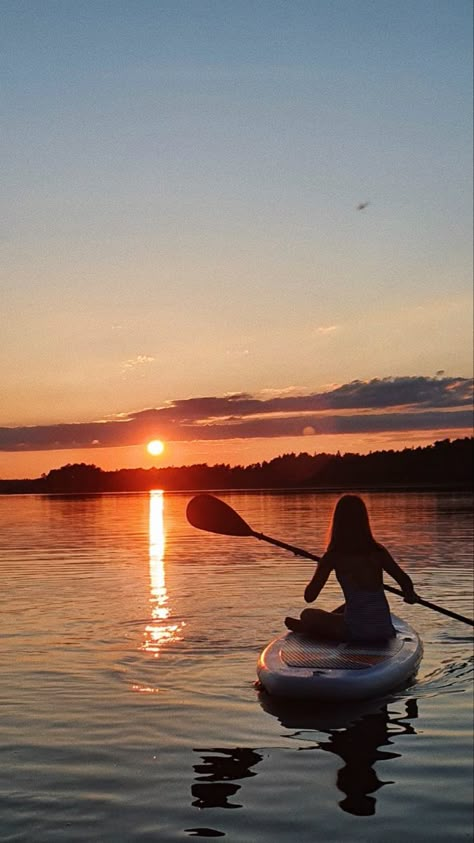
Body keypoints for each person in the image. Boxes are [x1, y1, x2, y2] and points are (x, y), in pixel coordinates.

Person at [285, 494, 418, 642]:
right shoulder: (378, 551)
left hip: (356, 632)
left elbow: (309, 597)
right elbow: (404, 580)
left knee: (308, 614)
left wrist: (322, 566)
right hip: (384, 628)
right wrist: (409, 594)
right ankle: (315, 626)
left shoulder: (333, 556)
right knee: (348, 605)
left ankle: (309, 626)